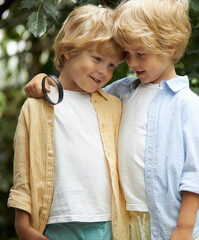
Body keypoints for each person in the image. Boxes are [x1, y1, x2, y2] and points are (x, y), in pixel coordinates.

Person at [24, 0, 199, 239]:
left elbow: (196, 171)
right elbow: (79, 93)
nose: (132, 63)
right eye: (127, 54)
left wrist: (184, 227)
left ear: (169, 47)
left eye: (140, 54)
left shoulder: (187, 104)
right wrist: (45, 80)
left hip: (170, 223)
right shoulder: (122, 92)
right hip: (125, 221)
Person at [8, 5, 129, 240]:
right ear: (69, 51)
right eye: (97, 59)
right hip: (54, 226)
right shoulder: (35, 106)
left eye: (112, 65)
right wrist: (23, 227)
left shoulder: (114, 106)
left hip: (107, 225)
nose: (104, 71)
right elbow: (23, 172)